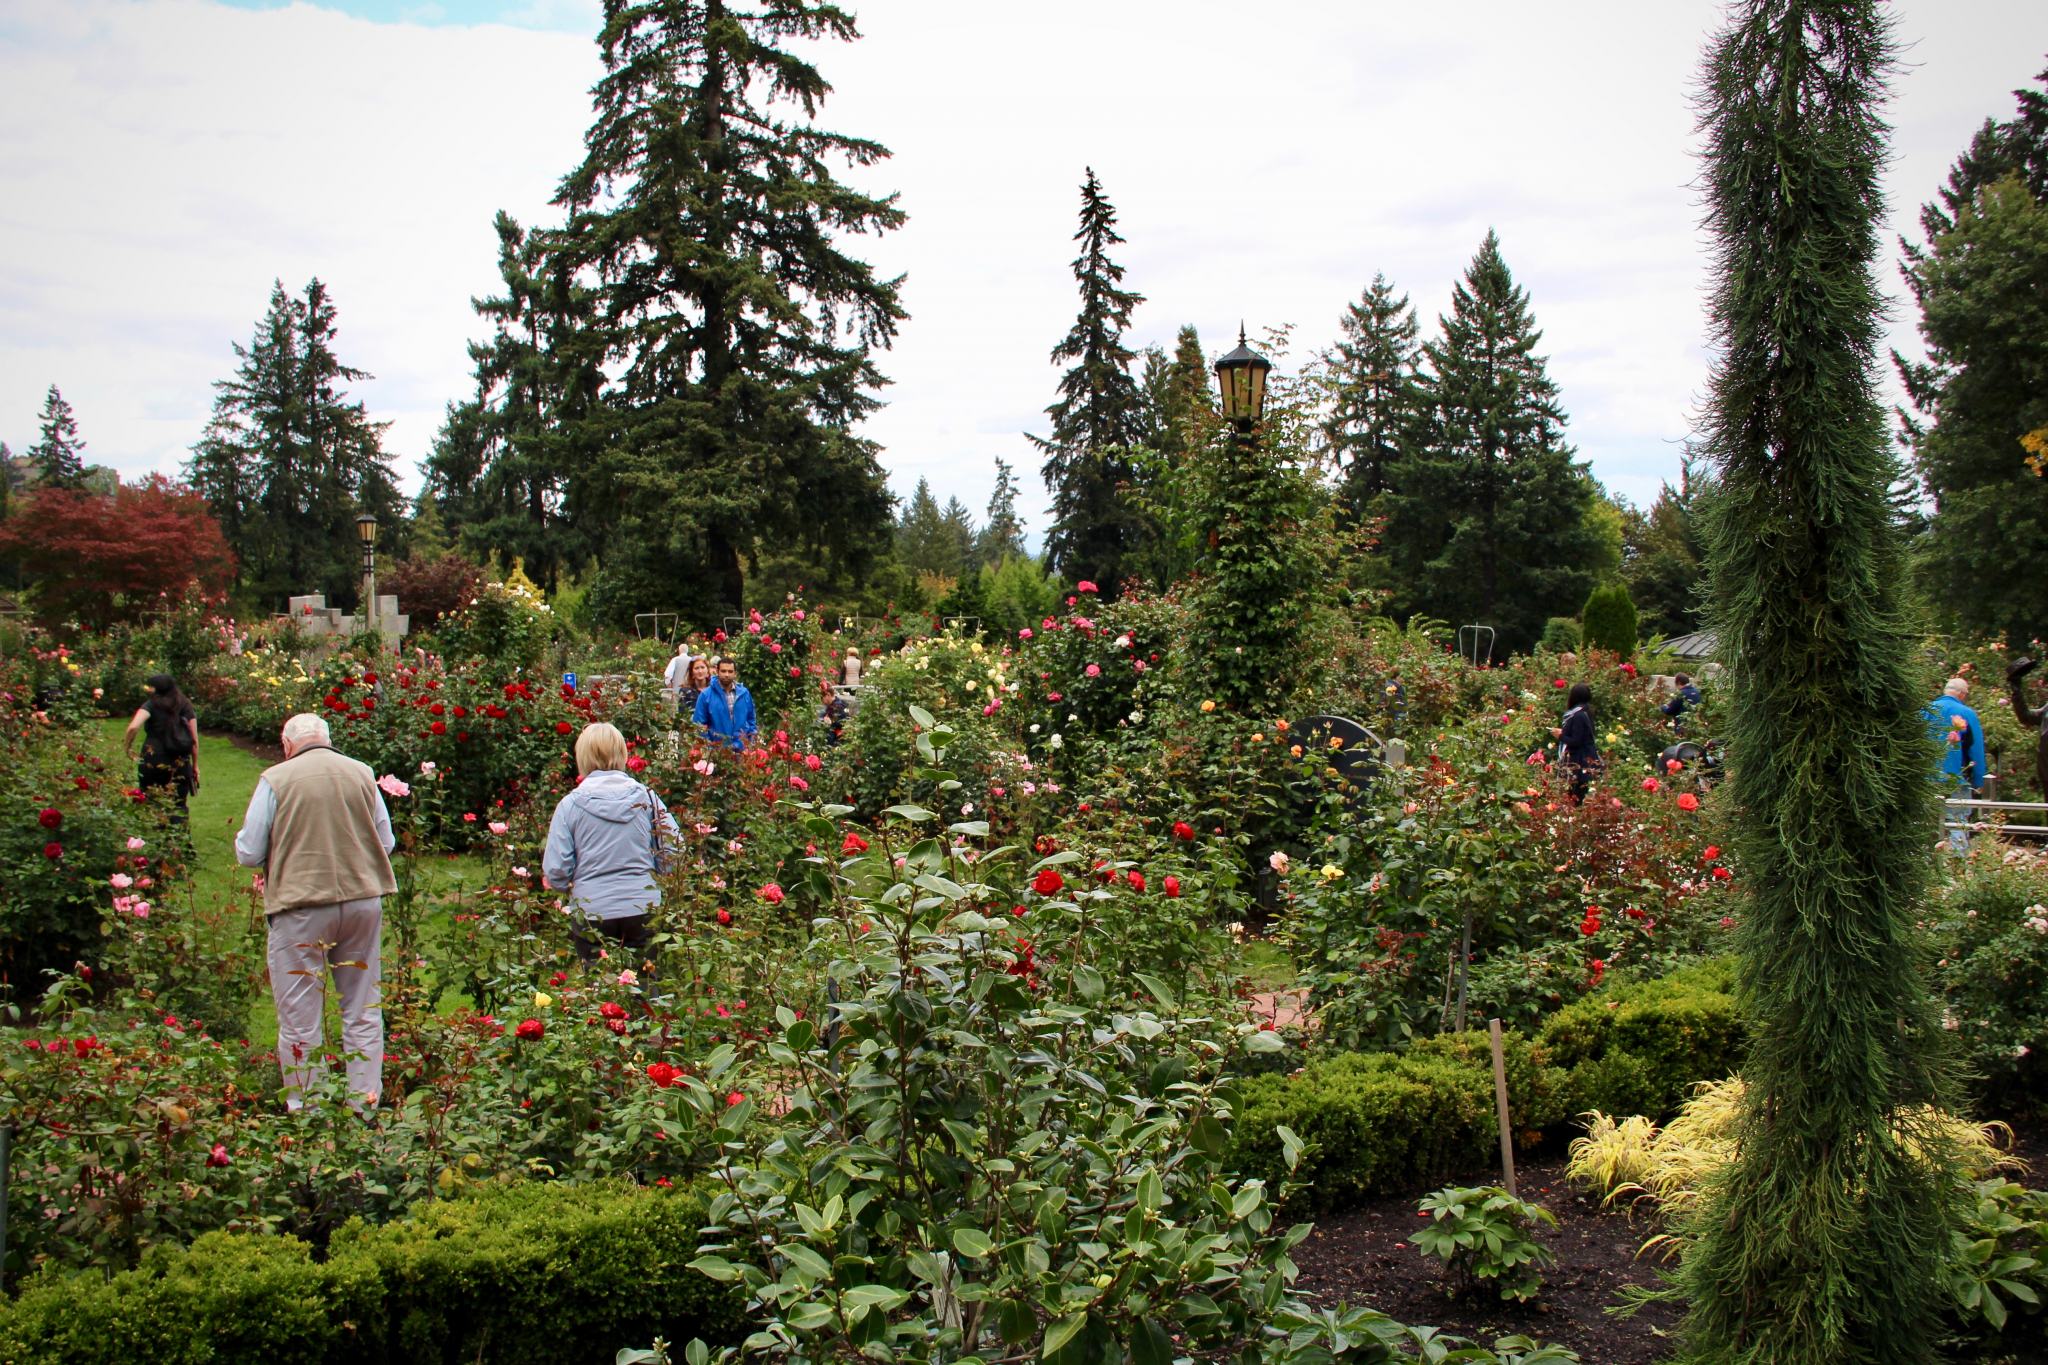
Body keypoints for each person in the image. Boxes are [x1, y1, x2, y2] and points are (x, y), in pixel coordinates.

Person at [233, 713, 397, 1111]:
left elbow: (249, 851)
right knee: (361, 1006)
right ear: (327, 739)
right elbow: (386, 841)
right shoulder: (360, 772)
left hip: (301, 904)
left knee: (300, 1014)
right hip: (361, 900)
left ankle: (310, 1110)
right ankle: (365, 1104)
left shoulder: (277, 779)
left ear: (287, 744)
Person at [542, 722, 682, 962]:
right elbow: (674, 850)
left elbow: (556, 870)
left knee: (600, 990)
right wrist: (657, 874)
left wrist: (570, 885)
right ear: (622, 754)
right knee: (645, 985)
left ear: (582, 756)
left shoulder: (570, 805)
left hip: (592, 909)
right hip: (642, 904)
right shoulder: (647, 798)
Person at [124, 673, 200, 822]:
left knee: (151, 802)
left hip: (153, 759)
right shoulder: (185, 705)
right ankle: (180, 840)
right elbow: (194, 740)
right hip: (180, 761)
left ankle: (155, 838)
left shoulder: (151, 705)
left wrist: (127, 747)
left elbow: (133, 727)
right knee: (179, 804)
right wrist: (195, 766)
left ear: (156, 689)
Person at [1925, 676, 1987, 851]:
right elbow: (1975, 751)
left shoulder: (1925, 711)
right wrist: (1978, 781)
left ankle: (1927, 864)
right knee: (1957, 822)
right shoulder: (1966, 713)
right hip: (1956, 779)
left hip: (1926, 779)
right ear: (1962, 694)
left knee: (1926, 823)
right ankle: (1957, 867)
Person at [693, 656, 758, 750]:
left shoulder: (744, 693)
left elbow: (751, 719)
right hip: (718, 752)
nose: (727, 675)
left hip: (742, 750)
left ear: (735, 673)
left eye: (730, 671)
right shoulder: (706, 695)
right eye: (723, 671)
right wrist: (709, 747)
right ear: (717, 671)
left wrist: (750, 741)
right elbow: (699, 725)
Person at [1552, 682, 1601, 804]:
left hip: (1579, 763)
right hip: (1584, 761)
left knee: (1575, 798)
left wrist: (1561, 736)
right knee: (1578, 796)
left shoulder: (1578, 715)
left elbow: (1576, 741)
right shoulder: (1585, 712)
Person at [662, 642, 695, 711]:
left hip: (677, 690)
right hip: (691, 690)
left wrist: (668, 684)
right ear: (687, 651)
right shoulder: (692, 660)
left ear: (679, 650)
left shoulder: (675, 659)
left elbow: (668, 674)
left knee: (677, 709)